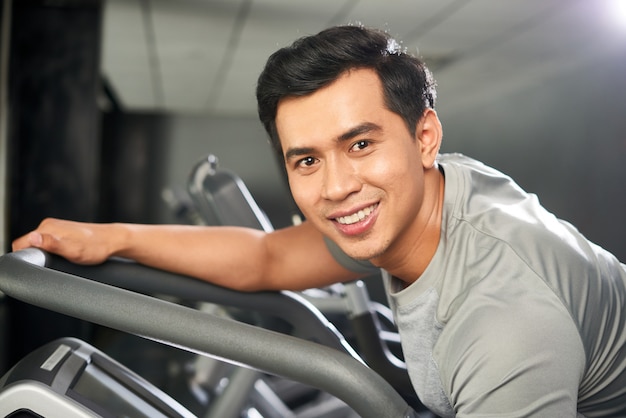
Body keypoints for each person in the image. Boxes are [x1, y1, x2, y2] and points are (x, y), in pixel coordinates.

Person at [12, 25, 626, 417]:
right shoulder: (419, 197)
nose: (335, 188)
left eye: (360, 145)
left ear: (424, 137)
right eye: (307, 159)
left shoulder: (504, 323)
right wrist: (112, 237)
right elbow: (269, 258)